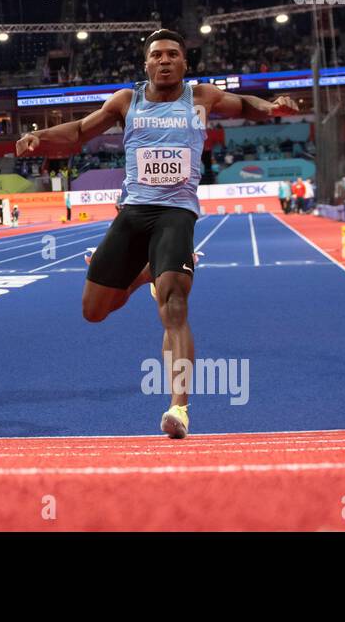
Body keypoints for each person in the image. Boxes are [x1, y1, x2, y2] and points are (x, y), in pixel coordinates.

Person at [16, 29, 299, 438]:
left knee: (175, 304)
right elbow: (80, 130)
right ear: (146, 64)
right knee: (94, 310)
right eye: (156, 55)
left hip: (176, 213)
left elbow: (248, 104)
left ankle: (179, 409)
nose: (164, 61)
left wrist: (272, 106)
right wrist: (39, 136)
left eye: (172, 55)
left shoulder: (201, 98)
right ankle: (143, 275)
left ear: (185, 63)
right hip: (133, 213)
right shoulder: (126, 101)